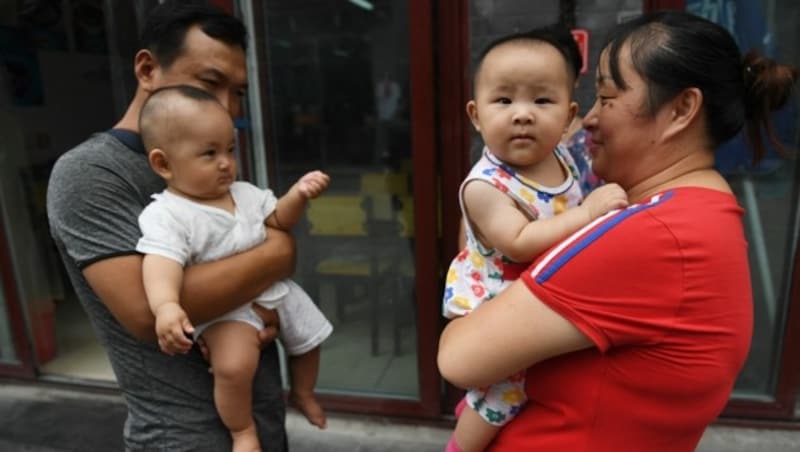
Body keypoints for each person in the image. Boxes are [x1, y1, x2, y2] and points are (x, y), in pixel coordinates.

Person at [438, 10, 799, 451]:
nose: (588, 120)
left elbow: (458, 359)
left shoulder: (650, 235)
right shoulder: (702, 211)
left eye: (606, 99)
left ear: (682, 110)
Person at [46, 2, 292, 450]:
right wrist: (273, 258)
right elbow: (147, 313)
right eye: (209, 82)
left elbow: (262, 253)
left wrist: (258, 300)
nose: (227, 107)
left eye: (238, 92)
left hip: (262, 420)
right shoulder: (91, 174)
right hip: (182, 436)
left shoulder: (212, 156)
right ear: (146, 69)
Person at [442, 26, 628, 452]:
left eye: (542, 100)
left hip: (538, 288)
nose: (522, 114)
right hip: (494, 298)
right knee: (503, 396)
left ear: (568, 118)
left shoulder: (559, 156)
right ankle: (461, 446)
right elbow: (520, 241)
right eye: (504, 100)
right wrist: (587, 214)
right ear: (475, 115)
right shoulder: (485, 185)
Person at [136, 85, 333, 451]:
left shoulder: (244, 192)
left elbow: (278, 221)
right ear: (163, 164)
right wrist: (166, 305)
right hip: (229, 309)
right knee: (233, 368)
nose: (226, 162)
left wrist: (298, 195)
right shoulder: (167, 214)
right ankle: (242, 431)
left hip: (276, 291)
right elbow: (160, 263)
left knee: (311, 337)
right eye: (209, 153)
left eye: (229, 149)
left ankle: (304, 392)